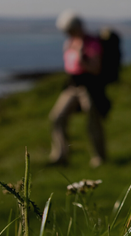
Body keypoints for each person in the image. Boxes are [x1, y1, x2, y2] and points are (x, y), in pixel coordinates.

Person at [49, 11, 107, 167]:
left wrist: (82, 59)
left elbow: (96, 69)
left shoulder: (92, 43)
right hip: (72, 85)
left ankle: (99, 157)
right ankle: (60, 155)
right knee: (57, 117)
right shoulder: (69, 43)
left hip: (89, 86)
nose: (69, 33)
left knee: (92, 122)